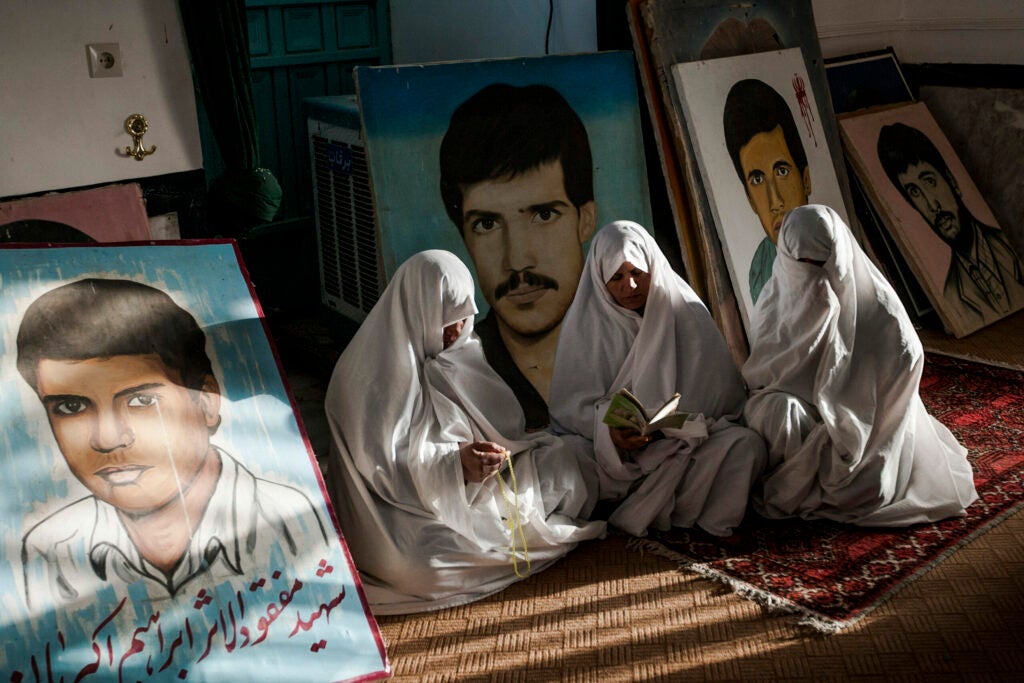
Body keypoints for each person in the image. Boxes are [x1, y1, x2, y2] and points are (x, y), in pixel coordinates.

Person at [16, 278, 329, 611]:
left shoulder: (292, 521)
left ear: (207, 402)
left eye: (141, 401)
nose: (107, 439)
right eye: (72, 407)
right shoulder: (50, 549)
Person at [323, 250, 605, 615]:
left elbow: (507, 432)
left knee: (568, 460)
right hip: (397, 519)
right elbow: (384, 471)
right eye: (447, 318)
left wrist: (485, 458)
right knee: (420, 567)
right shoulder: (365, 376)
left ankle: (500, 540)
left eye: (463, 317)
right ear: (419, 309)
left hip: (477, 490)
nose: (458, 331)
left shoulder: (458, 352)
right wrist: (455, 467)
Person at [742, 204, 978, 525]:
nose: (816, 276)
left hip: (866, 425)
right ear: (786, 260)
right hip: (803, 413)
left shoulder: (880, 310)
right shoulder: (774, 301)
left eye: (824, 263)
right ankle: (801, 480)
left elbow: (906, 361)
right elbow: (763, 379)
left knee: (872, 487)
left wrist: (847, 414)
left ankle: (811, 484)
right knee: (773, 414)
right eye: (804, 265)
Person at [548, 221, 767, 538]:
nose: (631, 287)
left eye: (638, 273)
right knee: (564, 454)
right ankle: (637, 504)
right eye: (617, 277)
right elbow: (569, 411)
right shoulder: (585, 328)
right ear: (600, 279)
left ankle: (666, 512)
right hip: (611, 456)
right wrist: (611, 430)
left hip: (681, 448)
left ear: (653, 267)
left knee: (745, 446)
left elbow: (723, 408)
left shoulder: (686, 313)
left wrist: (668, 425)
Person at [439, 83, 597, 429]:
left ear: (585, 220)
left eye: (543, 215)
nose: (517, 261)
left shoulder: (636, 345)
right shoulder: (457, 374)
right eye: (486, 223)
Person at [876, 122, 1024, 321]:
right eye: (915, 192)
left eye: (929, 181)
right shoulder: (951, 295)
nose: (931, 204)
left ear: (951, 180)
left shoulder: (1012, 249)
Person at [724, 78, 813, 304]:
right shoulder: (760, 270)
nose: (775, 202)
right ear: (750, 200)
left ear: (805, 179)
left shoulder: (835, 249)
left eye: (782, 171)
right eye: (757, 179)